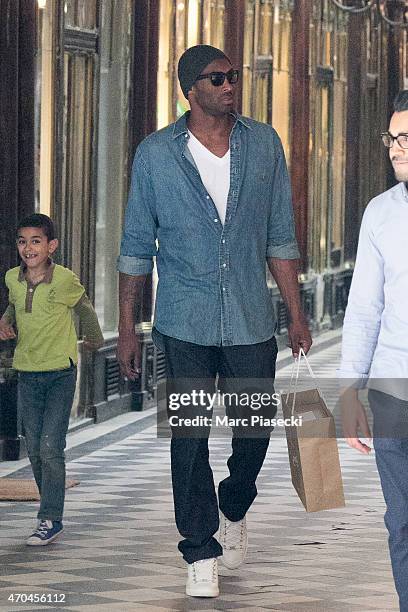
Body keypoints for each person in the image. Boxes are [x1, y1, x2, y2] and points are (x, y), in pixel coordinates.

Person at [117, 45, 312, 598]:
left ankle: (235, 502)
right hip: (183, 321)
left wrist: (296, 313)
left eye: (234, 76)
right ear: (190, 90)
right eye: (217, 78)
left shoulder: (264, 144)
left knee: (255, 432)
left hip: (251, 318)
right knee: (188, 438)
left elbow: (280, 235)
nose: (230, 85)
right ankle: (199, 549)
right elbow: (136, 246)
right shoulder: (156, 155)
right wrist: (127, 326)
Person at [339, 90, 408, 612]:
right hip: (392, 389)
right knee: (401, 520)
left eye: (406, 137)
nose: (395, 148)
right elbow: (364, 309)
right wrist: (349, 394)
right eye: (392, 137)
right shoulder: (379, 213)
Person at [0, 213, 103, 546]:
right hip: (27, 372)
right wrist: (5, 320)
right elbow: (15, 307)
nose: (28, 248)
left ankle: (49, 518)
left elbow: (84, 307)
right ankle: (50, 509)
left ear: (51, 245)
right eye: (22, 241)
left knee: (50, 446)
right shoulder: (12, 279)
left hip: (60, 371)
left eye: (36, 241)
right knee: (34, 449)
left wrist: (94, 339)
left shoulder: (64, 280)